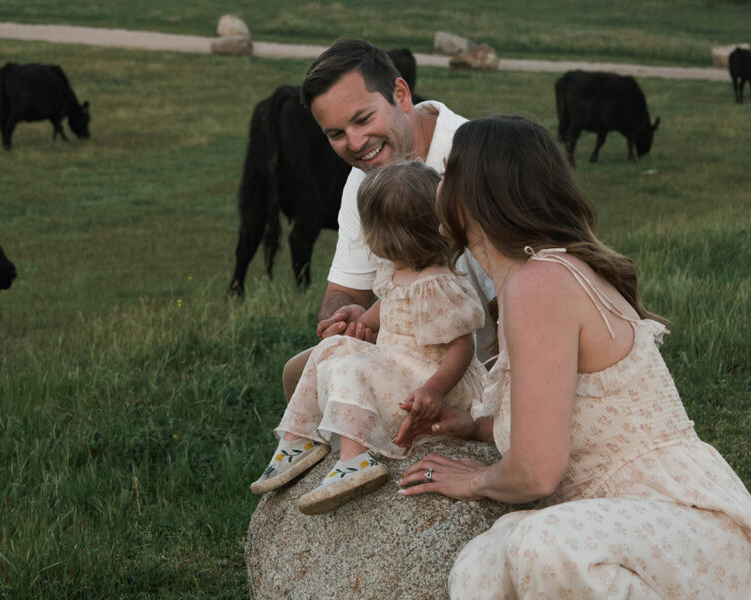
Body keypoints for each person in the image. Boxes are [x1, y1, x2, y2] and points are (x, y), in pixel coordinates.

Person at [397, 115, 751, 597]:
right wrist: (475, 426)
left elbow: (537, 471)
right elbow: (563, 414)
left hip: (679, 518)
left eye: (447, 172)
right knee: (479, 568)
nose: (438, 186)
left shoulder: (542, 281)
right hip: (624, 521)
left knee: (540, 544)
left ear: (475, 192)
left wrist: (477, 479)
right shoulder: (539, 277)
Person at [250, 161, 487, 516]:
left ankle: (354, 459)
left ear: (389, 235)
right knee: (331, 347)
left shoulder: (437, 283)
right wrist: (360, 318)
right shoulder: (397, 269)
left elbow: (462, 345)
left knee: (349, 366)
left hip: (430, 383)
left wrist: (435, 390)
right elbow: (388, 303)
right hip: (401, 367)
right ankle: (298, 437)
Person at [282, 38, 495, 405]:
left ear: (400, 94)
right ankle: (324, 461)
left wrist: (493, 411)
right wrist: (342, 320)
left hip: (479, 365)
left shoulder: (477, 162)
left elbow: (519, 306)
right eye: (336, 134)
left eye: (363, 119)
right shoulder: (364, 178)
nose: (355, 142)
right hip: (403, 359)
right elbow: (345, 290)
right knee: (297, 372)